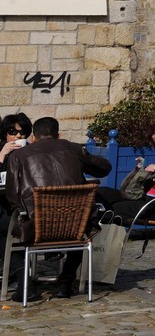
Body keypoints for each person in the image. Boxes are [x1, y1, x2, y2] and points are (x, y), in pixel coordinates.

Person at [2, 116, 111, 300]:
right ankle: (65, 282)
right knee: (87, 220)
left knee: (7, 224)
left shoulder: (19, 156)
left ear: (34, 138)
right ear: (58, 135)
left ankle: (26, 282)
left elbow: (12, 196)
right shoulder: (73, 149)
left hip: (36, 226)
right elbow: (104, 168)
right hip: (75, 226)